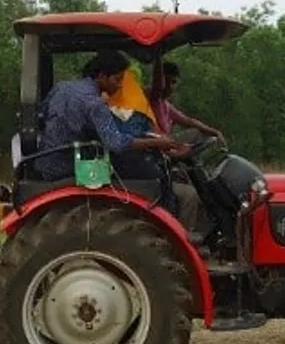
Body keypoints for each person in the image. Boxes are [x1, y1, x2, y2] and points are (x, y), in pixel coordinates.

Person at [34, 50, 206, 234]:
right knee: (153, 175)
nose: (119, 85)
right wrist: (156, 144)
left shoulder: (62, 87)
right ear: (101, 76)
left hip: (45, 160)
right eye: (117, 79)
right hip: (68, 166)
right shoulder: (95, 104)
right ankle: (166, 231)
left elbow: (41, 116)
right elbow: (117, 144)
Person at [150, 61, 225, 145]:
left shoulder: (166, 106)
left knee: (203, 134)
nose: (170, 87)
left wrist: (215, 132)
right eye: (167, 82)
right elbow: (157, 87)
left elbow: (188, 121)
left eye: (173, 82)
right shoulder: (152, 98)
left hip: (165, 145)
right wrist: (158, 54)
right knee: (197, 133)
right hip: (153, 145)